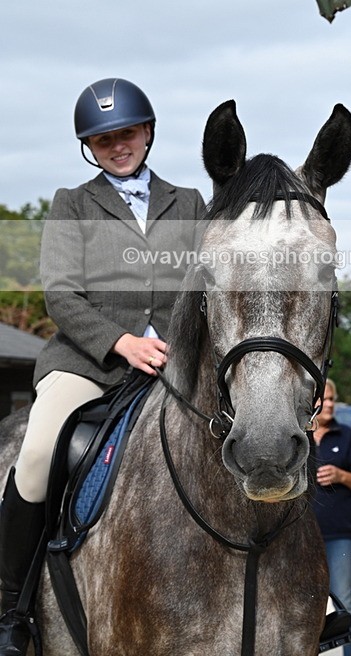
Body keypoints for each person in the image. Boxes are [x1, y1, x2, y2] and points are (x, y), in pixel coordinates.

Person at [0, 77, 206, 655]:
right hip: (89, 361)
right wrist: (122, 342)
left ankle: (292, 590)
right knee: (36, 457)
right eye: (103, 139)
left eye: (127, 133)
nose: (118, 146)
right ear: (89, 147)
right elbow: (61, 295)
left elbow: (206, 284)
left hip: (176, 361)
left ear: (148, 132)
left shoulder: (189, 202)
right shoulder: (72, 202)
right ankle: (10, 608)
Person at [312, 378, 351, 656]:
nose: (329, 404)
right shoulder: (294, 436)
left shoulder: (347, 437)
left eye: (332, 399)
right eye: (323, 398)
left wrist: (341, 476)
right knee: (300, 606)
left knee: (344, 601)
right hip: (298, 539)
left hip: (339, 536)